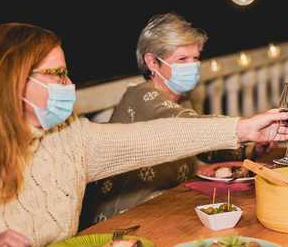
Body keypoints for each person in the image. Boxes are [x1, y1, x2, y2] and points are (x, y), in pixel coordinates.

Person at [0, 22, 288, 247]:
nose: (69, 84)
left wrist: (242, 128)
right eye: (55, 75)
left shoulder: (68, 138)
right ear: (11, 81)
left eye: (66, 72)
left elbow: (152, 138)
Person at [81, 13, 214, 227]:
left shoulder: (184, 99)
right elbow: (189, 128)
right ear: (152, 62)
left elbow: (193, 144)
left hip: (167, 205)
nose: (193, 66)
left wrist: (196, 165)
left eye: (196, 58)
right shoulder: (141, 96)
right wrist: (246, 134)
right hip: (124, 218)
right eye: (182, 59)